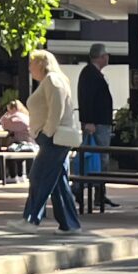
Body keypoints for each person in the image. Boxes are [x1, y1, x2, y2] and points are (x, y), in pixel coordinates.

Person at [23, 48, 83, 232]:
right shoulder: (52, 80)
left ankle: (31, 219)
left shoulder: (52, 80)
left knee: (39, 177)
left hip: (52, 139)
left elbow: (56, 108)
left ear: (41, 63)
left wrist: (47, 132)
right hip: (54, 138)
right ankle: (70, 224)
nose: (30, 68)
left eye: (32, 64)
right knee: (57, 182)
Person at [77, 43, 116, 212]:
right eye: (105, 55)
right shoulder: (89, 74)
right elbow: (86, 99)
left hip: (101, 123)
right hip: (97, 124)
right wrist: (88, 121)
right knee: (98, 158)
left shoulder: (94, 74)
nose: (107, 57)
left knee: (100, 158)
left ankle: (100, 193)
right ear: (100, 57)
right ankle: (84, 189)